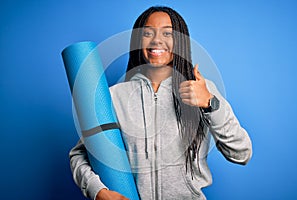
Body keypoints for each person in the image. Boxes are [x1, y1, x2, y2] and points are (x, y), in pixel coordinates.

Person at [69, 6, 252, 200]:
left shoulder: (201, 90)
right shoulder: (115, 96)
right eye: (148, 33)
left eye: (167, 33)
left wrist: (209, 103)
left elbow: (241, 154)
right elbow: (79, 154)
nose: (157, 40)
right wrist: (98, 191)